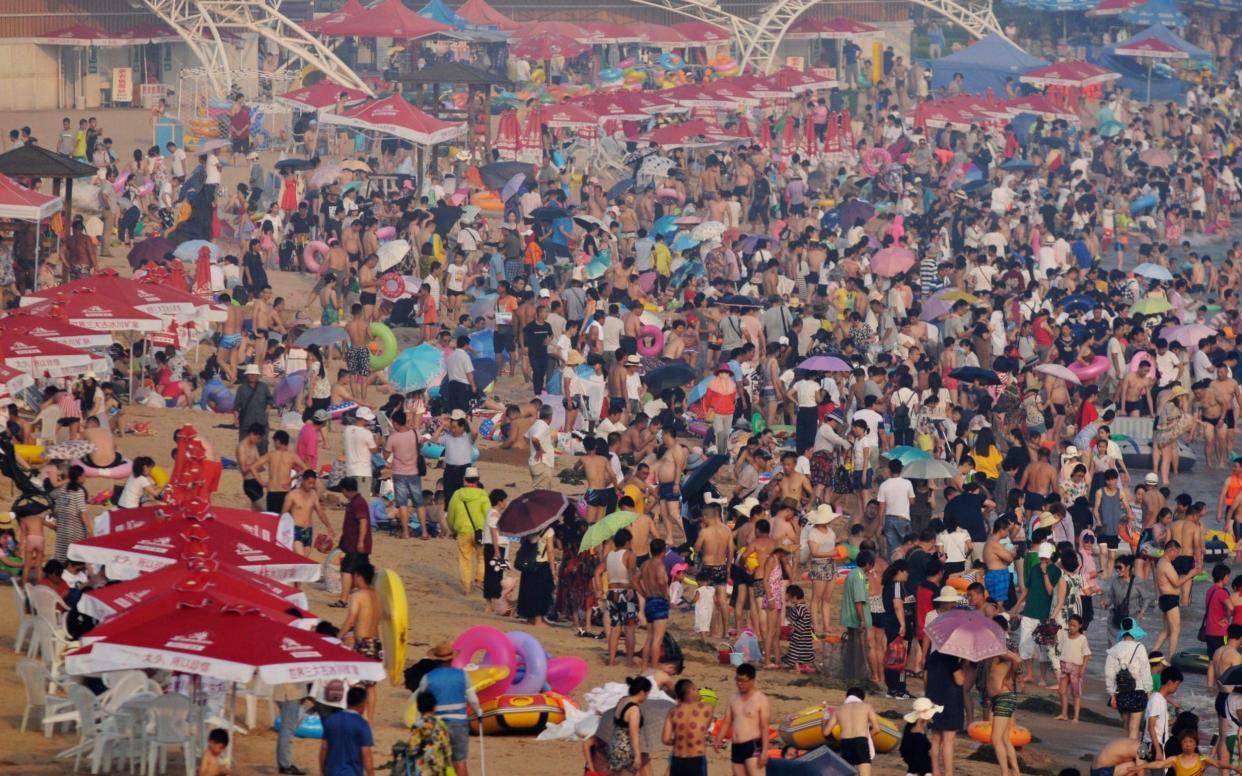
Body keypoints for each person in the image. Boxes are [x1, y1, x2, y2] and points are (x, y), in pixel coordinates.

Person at [418, 642, 483, 776]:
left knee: (436, 762)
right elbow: (472, 699)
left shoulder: (427, 678)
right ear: (452, 658)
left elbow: (421, 702)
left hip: (436, 725)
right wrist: (478, 712)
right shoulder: (462, 675)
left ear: (435, 659)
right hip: (459, 723)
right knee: (460, 762)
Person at [339, 562, 380, 722]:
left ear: (359, 577)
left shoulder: (357, 596)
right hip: (376, 643)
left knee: (356, 682)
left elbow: (351, 619)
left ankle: (360, 717)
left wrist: (339, 635)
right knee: (371, 686)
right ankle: (370, 719)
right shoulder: (377, 596)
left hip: (362, 643)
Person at [713, 663, 770, 776]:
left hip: (752, 745)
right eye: (737, 680)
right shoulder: (733, 698)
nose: (740, 684)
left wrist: (764, 751)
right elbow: (727, 722)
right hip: (736, 746)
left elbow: (764, 727)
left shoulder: (761, 700)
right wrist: (718, 738)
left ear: (752, 680)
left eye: (743, 681)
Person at [1152, 540, 1202, 658]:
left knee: (1166, 631)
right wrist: (1191, 573)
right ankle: (1171, 657)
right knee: (1175, 630)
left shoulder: (1161, 562)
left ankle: (1152, 654)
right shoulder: (1166, 564)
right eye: (1177, 553)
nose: (1177, 556)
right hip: (1170, 599)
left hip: (1165, 599)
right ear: (1171, 550)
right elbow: (1176, 583)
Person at [446, 467, 489, 595]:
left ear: (464, 479)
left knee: (465, 559)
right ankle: (480, 580)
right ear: (478, 479)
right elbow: (488, 514)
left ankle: (466, 587)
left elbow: (451, 514)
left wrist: (452, 528)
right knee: (482, 557)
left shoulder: (457, 494)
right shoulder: (483, 495)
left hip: (462, 531)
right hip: (480, 532)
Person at [822, 687, 884, 775]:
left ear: (847, 697)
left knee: (847, 772)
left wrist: (824, 722)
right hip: (861, 741)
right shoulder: (867, 707)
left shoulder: (838, 709)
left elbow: (826, 732)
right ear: (861, 698)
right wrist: (867, 737)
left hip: (845, 742)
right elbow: (877, 729)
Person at [334, 477, 372, 609]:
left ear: (346, 490)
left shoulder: (358, 503)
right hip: (354, 544)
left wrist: (360, 541)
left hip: (356, 545)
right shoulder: (356, 502)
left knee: (347, 570)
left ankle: (343, 599)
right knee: (361, 572)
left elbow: (363, 522)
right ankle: (365, 598)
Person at [319, 686, 374, 776]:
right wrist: (371, 774)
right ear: (362, 705)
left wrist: (322, 769)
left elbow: (324, 747)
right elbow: (366, 754)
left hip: (332, 772)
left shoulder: (331, 719)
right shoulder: (362, 725)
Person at [662, 677, 712, 776]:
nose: (698, 692)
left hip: (677, 759)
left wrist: (680, 740)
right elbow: (704, 729)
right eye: (696, 689)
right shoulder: (706, 708)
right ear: (691, 690)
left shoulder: (673, 712)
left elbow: (666, 739)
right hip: (695, 758)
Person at [606, 528, 640, 667]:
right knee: (630, 628)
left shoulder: (609, 555)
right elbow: (632, 573)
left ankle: (612, 659)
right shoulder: (629, 554)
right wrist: (634, 588)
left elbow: (597, 571)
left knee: (615, 627)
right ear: (627, 542)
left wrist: (597, 589)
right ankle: (629, 660)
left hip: (611, 592)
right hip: (626, 592)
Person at [636, 538, 670, 671]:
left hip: (649, 600)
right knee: (658, 637)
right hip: (658, 600)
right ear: (663, 551)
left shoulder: (645, 564)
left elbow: (635, 580)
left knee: (650, 636)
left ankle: (644, 665)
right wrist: (665, 594)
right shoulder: (659, 565)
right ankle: (654, 666)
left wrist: (643, 593)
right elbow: (661, 581)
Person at [609, 676, 653, 775]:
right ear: (642, 692)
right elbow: (634, 734)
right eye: (647, 693)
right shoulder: (634, 709)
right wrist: (637, 756)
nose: (647, 697)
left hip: (615, 745)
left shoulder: (622, 700)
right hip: (626, 750)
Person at [404, 692, 454, 776]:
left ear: (418, 708)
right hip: (439, 767)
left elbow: (411, 748)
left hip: (422, 770)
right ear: (434, 707)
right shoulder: (441, 724)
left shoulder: (417, 725)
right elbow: (447, 748)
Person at [1056, 614, 1091, 723]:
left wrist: (1083, 669)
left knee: (1075, 693)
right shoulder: (1064, 635)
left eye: (1074, 625)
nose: (1071, 627)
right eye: (1070, 625)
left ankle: (1076, 717)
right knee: (1062, 691)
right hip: (1064, 666)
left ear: (1080, 626)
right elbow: (1060, 648)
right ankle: (1064, 714)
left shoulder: (1082, 639)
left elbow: (1086, 655)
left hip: (1076, 668)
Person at [1144, 665, 1183, 760]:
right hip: (1154, 745)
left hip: (1159, 744)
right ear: (1169, 682)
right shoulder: (1157, 700)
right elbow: (1151, 727)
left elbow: (1159, 724)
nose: (1177, 687)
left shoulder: (1162, 699)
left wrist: (1174, 722)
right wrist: (1158, 750)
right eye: (1177, 684)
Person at [901, 697, 940, 776]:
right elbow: (921, 755)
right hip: (921, 769)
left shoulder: (910, 729)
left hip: (912, 766)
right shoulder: (919, 737)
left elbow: (904, 750)